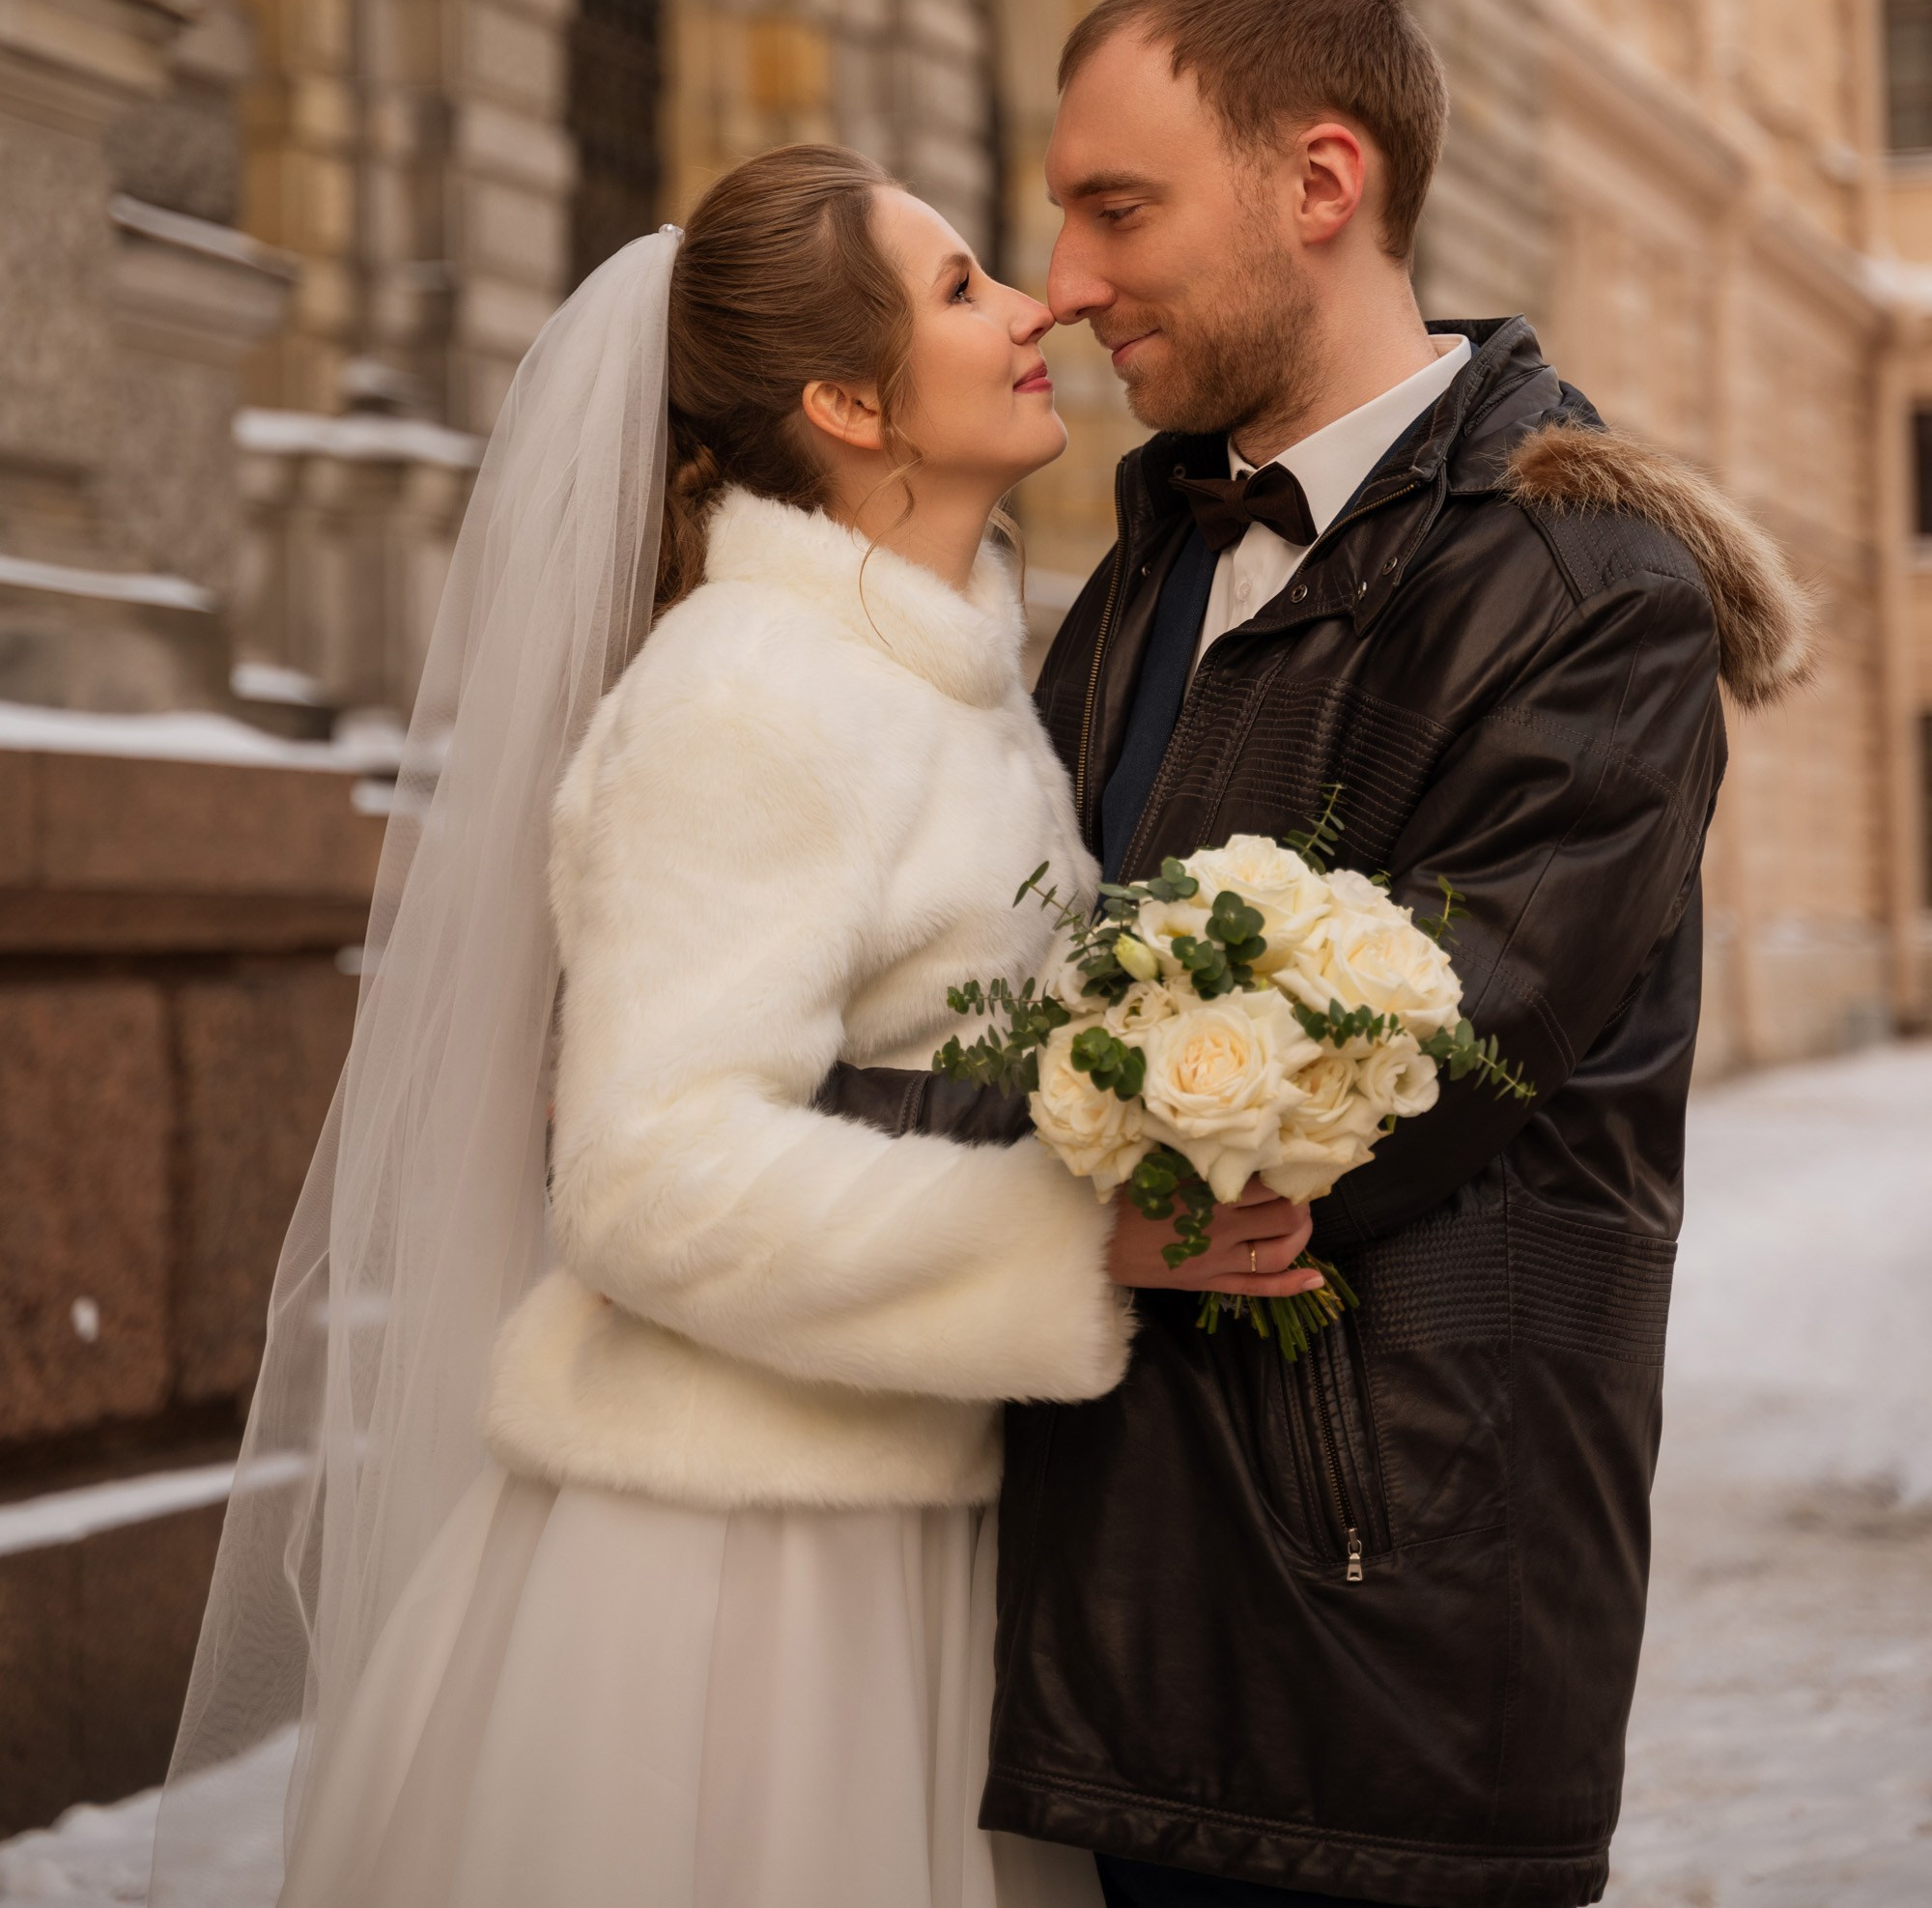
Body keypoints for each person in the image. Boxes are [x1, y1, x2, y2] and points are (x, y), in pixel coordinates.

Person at [153, 144, 1318, 1908]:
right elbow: (646, 1168)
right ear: (851, 402)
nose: (1033, 308)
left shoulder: (947, 682)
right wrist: (1076, 1239)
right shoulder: (752, 696)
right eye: (958, 291)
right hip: (739, 1590)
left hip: (922, 1528)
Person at [979, 0, 1811, 1908]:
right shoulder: (1146, 569)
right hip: (1104, 1607)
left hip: (1390, 1627)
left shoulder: (1583, 585)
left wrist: (993, 1209)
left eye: (1120, 208)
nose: (1069, 280)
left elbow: (1420, 1063)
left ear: (1319, 184)